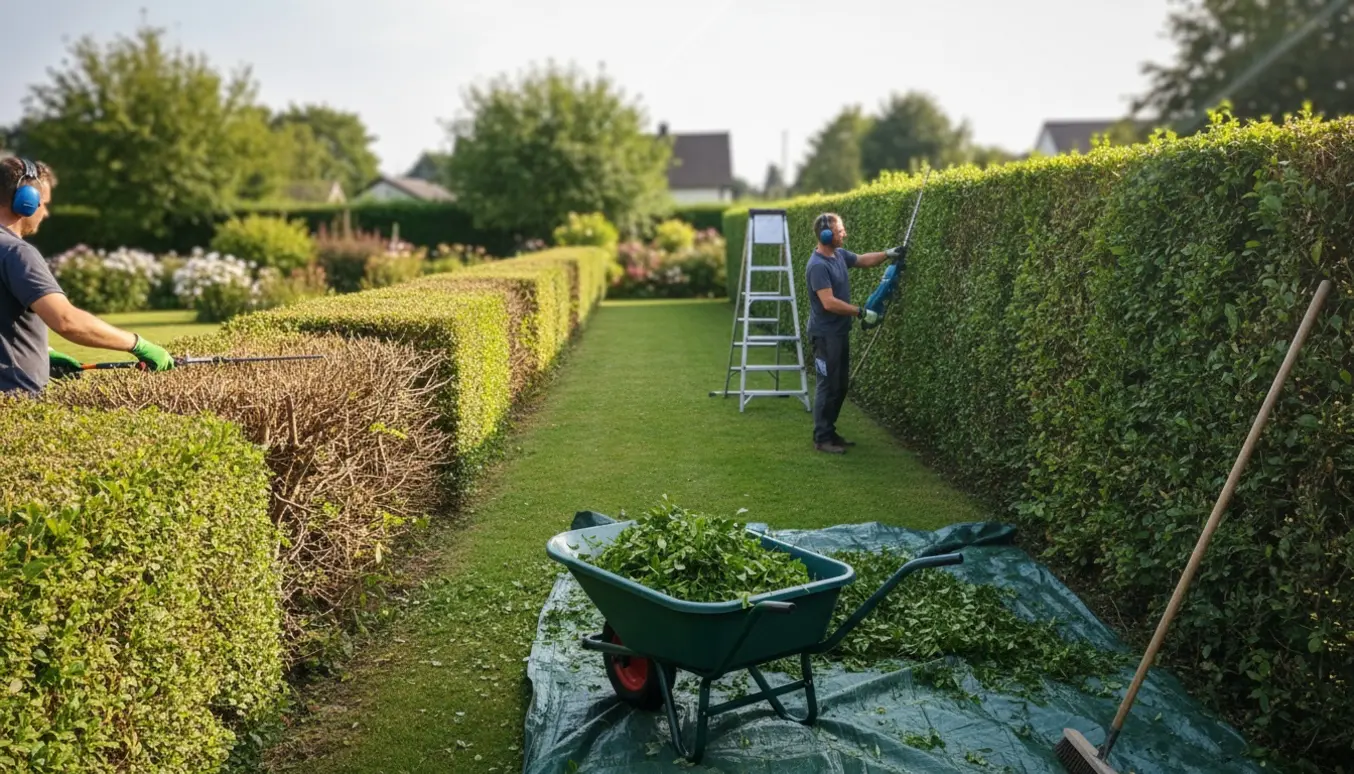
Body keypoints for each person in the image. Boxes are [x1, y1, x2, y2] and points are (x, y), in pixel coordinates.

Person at [0, 156, 174, 395]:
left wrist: (46, 352)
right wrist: (137, 344)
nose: (46, 213)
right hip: (14, 404)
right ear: (25, 202)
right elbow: (66, 321)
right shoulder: (15, 252)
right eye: (44, 203)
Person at [804, 212, 907, 454]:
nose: (845, 234)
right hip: (825, 336)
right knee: (827, 386)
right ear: (827, 235)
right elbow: (829, 303)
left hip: (838, 333)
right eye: (840, 231)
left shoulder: (838, 255)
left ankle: (830, 432)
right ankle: (821, 438)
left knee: (839, 386)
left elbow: (862, 260)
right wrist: (860, 312)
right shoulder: (818, 266)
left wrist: (887, 254)